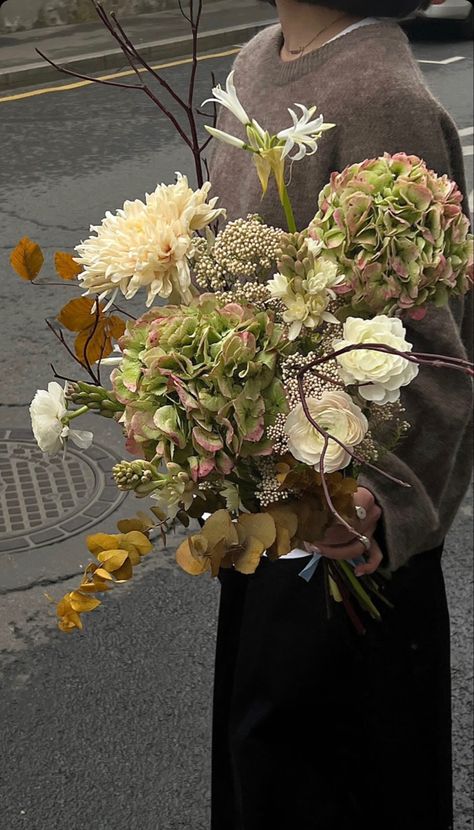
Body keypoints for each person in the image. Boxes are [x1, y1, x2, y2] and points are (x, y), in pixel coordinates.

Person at [208, 2, 473, 829]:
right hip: (264, 502)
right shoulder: (258, 58)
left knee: (334, 787)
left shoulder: (382, 97)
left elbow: (433, 349)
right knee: (262, 766)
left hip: (343, 534)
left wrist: (377, 503)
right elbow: (219, 255)